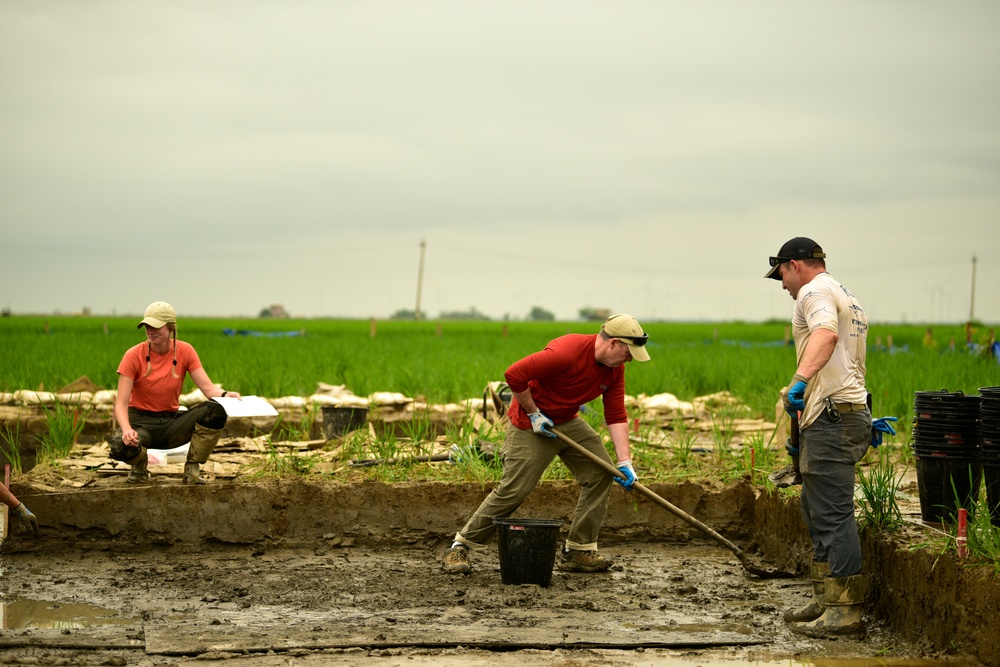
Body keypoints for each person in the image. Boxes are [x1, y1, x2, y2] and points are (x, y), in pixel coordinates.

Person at [443, 314, 650, 575]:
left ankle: (579, 550)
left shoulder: (614, 369)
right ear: (613, 343)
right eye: (628, 352)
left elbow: (616, 414)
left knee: (602, 473)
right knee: (514, 489)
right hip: (530, 424)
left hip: (567, 421)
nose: (630, 358)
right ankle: (459, 546)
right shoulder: (566, 353)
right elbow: (514, 374)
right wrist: (533, 413)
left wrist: (624, 462)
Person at [765, 237, 878, 637]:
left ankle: (844, 612)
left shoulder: (813, 291)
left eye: (781, 274)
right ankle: (825, 598)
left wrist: (798, 381)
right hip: (835, 415)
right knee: (815, 510)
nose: (782, 285)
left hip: (833, 418)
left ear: (794, 264)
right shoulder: (845, 294)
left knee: (832, 514)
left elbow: (827, 337)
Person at [110, 301, 241, 485]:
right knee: (118, 446)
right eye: (147, 326)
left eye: (156, 327)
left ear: (171, 328)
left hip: (172, 424)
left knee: (215, 410)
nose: (150, 331)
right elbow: (121, 404)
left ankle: (192, 471)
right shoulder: (133, 355)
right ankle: (139, 466)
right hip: (141, 425)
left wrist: (226, 395)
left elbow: (209, 389)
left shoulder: (185, 351)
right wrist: (127, 430)